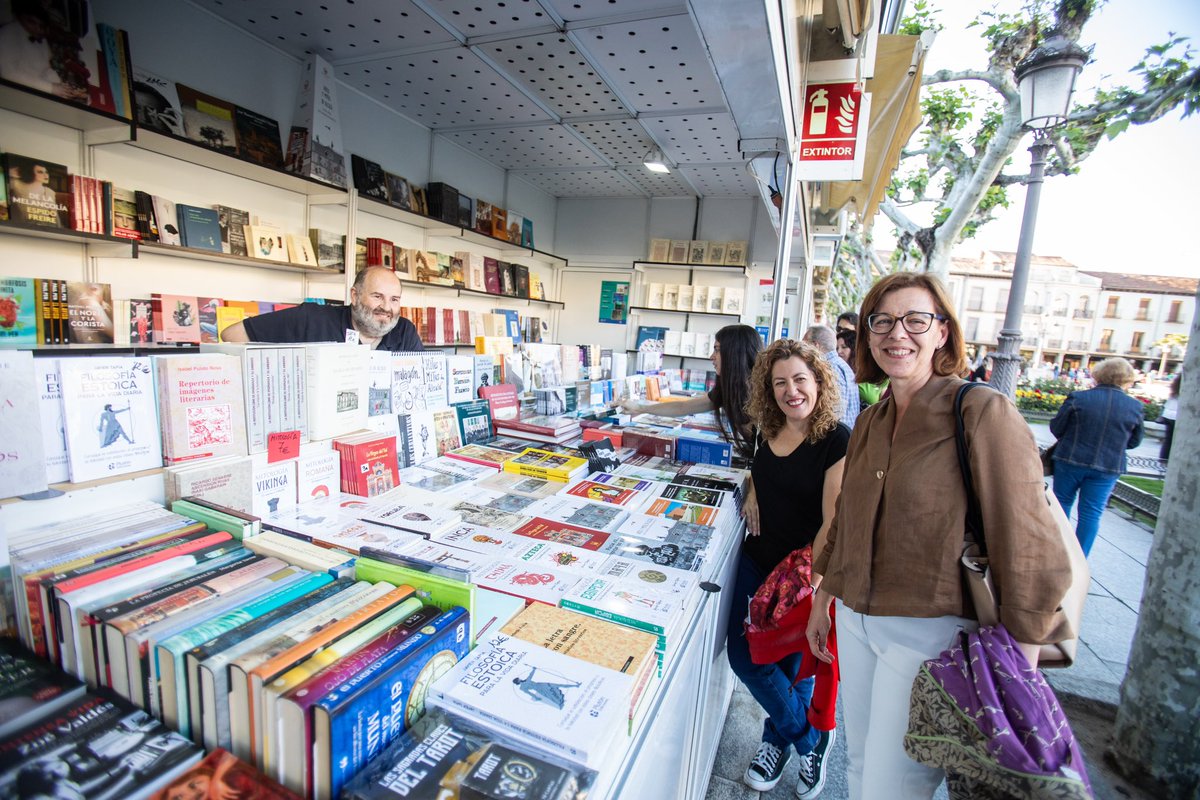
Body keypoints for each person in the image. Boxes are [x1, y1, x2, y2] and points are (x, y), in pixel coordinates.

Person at [805, 272, 1072, 800]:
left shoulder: (980, 411)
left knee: (893, 786)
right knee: (859, 768)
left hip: (930, 632)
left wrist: (1019, 669)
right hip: (856, 619)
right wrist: (823, 599)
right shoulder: (872, 419)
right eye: (880, 321)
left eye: (915, 319)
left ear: (943, 332)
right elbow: (848, 521)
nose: (895, 333)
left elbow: (1028, 545)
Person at [731, 338, 848, 799]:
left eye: (800, 379)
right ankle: (810, 740)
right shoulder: (767, 428)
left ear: (818, 381)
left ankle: (775, 743)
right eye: (780, 382)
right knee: (748, 658)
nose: (791, 390)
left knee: (791, 667)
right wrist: (751, 485)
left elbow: (832, 522)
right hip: (756, 560)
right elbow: (759, 472)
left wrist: (812, 590)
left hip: (800, 575)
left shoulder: (835, 439)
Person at [619, 324, 761, 458]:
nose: (711, 356)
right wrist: (639, 407)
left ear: (734, 353)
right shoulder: (729, 389)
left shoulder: (761, 395)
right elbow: (683, 407)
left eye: (717, 350)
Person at [1049, 357, 1146, 556]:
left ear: (1099, 374)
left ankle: (1058, 552)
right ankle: (1080, 557)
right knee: (1091, 513)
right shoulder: (1134, 407)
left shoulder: (1078, 398)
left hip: (1070, 459)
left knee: (1061, 504)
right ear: (1126, 379)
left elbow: (1057, 427)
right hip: (1107, 465)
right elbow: (1135, 441)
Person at [220, 266, 423, 350]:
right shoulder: (311, 318)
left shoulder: (404, 331)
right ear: (354, 296)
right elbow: (231, 334)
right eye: (377, 296)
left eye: (394, 299)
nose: (386, 307)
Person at [802, 325, 859, 429]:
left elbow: (834, 410)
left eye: (804, 344)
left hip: (835, 436)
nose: (801, 349)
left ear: (815, 345)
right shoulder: (838, 364)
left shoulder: (831, 367)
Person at [1159, 374, 1180, 461]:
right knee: (1173, 440)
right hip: (1176, 415)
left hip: (1168, 414)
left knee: (1168, 439)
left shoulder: (1176, 386)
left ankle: (1163, 459)